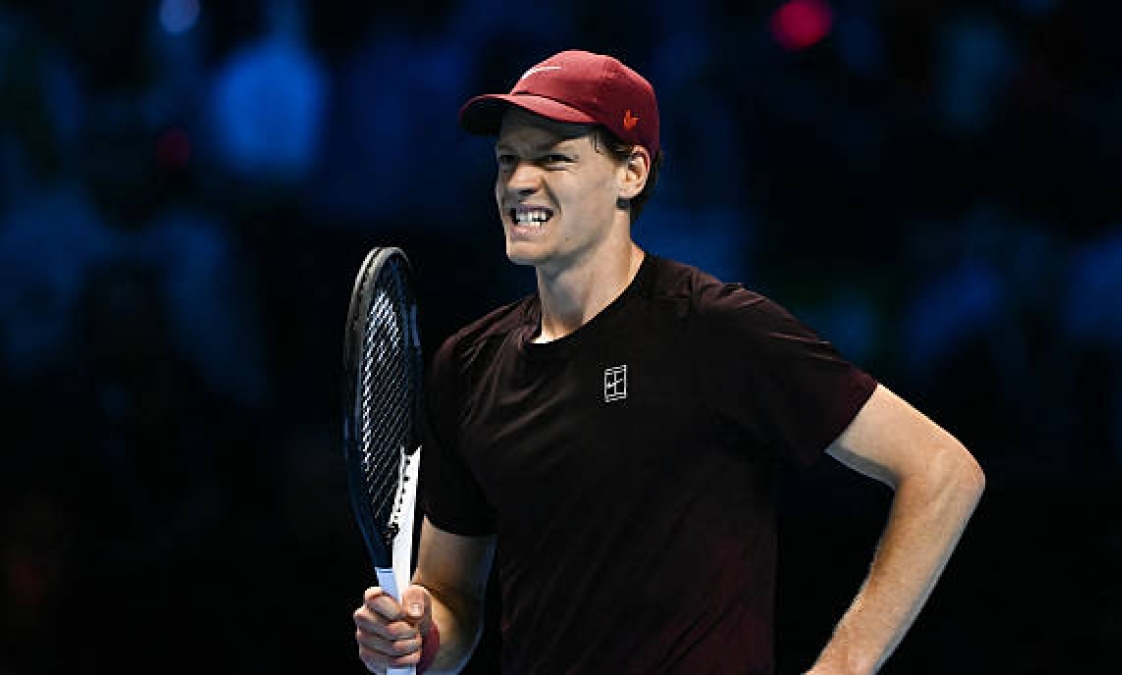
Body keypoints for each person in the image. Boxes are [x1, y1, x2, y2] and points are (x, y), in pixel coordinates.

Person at [351, 49, 985, 675]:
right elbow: (452, 599)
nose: (519, 182)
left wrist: (845, 664)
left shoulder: (717, 330)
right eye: (508, 160)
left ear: (632, 173)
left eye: (554, 159)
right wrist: (416, 637)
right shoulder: (468, 366)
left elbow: (943, 470)